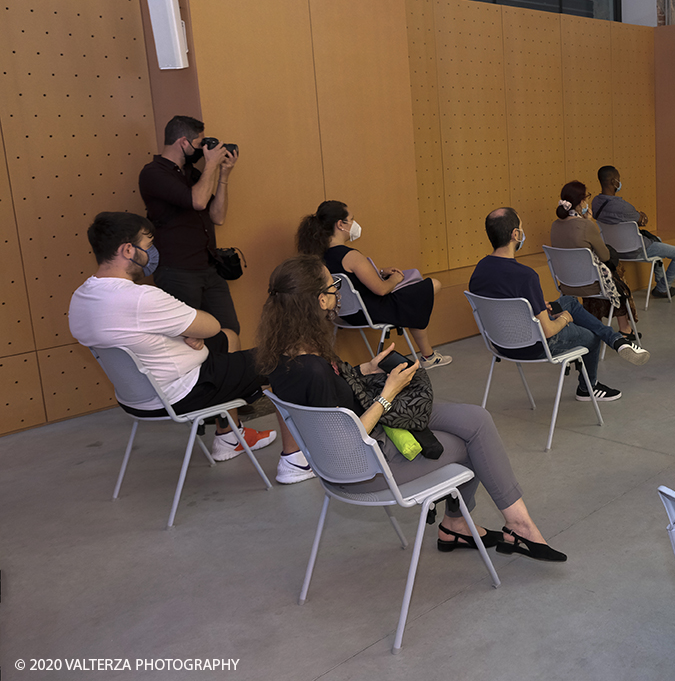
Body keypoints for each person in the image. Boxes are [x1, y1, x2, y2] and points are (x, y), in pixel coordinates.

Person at [259, 255, 565, 561]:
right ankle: (506, 525)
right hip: (368, 466)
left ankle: (464, 524)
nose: (338, 291)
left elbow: (331, 393)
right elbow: (347, 444)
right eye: (333, 286)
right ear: (319, 300)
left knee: (477, 419)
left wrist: (366, 369)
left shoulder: (290, 353)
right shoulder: (310, 369)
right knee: (473, 443)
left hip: (371, 430)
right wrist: (388, 393)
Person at [68, 212, 313, 485]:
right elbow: (210, 325)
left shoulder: (81, 298)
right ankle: (295, 462)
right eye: (148, 246)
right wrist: (191, 331)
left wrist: (186, 333)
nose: (152, 253)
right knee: (288, 360)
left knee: (228, 338)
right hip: (187, 390)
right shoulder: (140, 297)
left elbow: (142, 337)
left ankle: (229, 438)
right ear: (128, 250)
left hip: (137, 398)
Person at [469, 207, 649, 404]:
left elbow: (502, 304)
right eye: (521, 227)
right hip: (532, 345)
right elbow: (547, 331)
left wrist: (536, 306)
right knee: (590, 336)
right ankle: (587, 388)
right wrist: (564, 319)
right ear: (515, 234)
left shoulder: (479, 270)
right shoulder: (525, 276)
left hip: (501, 343)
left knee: (569, 301)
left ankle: (615, 340)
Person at [296, 201, 451, 369]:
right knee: (430, 286)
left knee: (416, 295)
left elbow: (352, 279)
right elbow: (382, 289)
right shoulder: (351, 256)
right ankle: (428, 356)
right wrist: (395, 279)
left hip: (345, 314)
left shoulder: (318, 256)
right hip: (373, 311)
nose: (354, 223)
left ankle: (428, 355)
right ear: (341, 224)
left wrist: (382, 271)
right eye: (351, 219)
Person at [139, 115, 241, 332]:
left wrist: (223, 174)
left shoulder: (191, 174)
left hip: (208, 269)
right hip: (177, 271)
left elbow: (217, 216)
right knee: (188, 338)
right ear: (183, 142)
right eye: (198, 144)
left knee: (229, 330)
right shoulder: (153, 173)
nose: (202, 150)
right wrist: (211, 165)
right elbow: (197, 201)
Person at [549, 180, 637, 338]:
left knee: (602, 275)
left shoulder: (555, 225)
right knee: (615, 279)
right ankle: (625, 328)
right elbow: (604, 256)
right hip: (590, 286)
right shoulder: (585, 226)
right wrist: (589, 222)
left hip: (566, 285)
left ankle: (602, 325)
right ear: (582, 201)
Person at [593, 164, 675, 299]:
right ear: (614, 182)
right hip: (637, 249)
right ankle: (662, 288)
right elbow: (642, 220)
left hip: (613, 251)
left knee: (658, 240)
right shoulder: (623, 206)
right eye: (618, 179)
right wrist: (640, 215)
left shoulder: (596, 203)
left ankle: (662, 286)